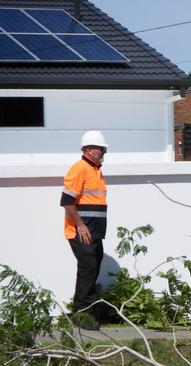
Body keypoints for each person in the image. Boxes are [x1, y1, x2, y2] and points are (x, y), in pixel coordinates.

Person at [60, 130, 109, 330]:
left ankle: (86, 314)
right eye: (100, 148)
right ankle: (83, 317)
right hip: (81, 232)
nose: (104, 151)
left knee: (92, 270)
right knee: (88, 270)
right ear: (89, 150)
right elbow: (67, 202)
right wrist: (80, 225)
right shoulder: (79, 168)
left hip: (94, 232)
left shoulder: (96, 170)